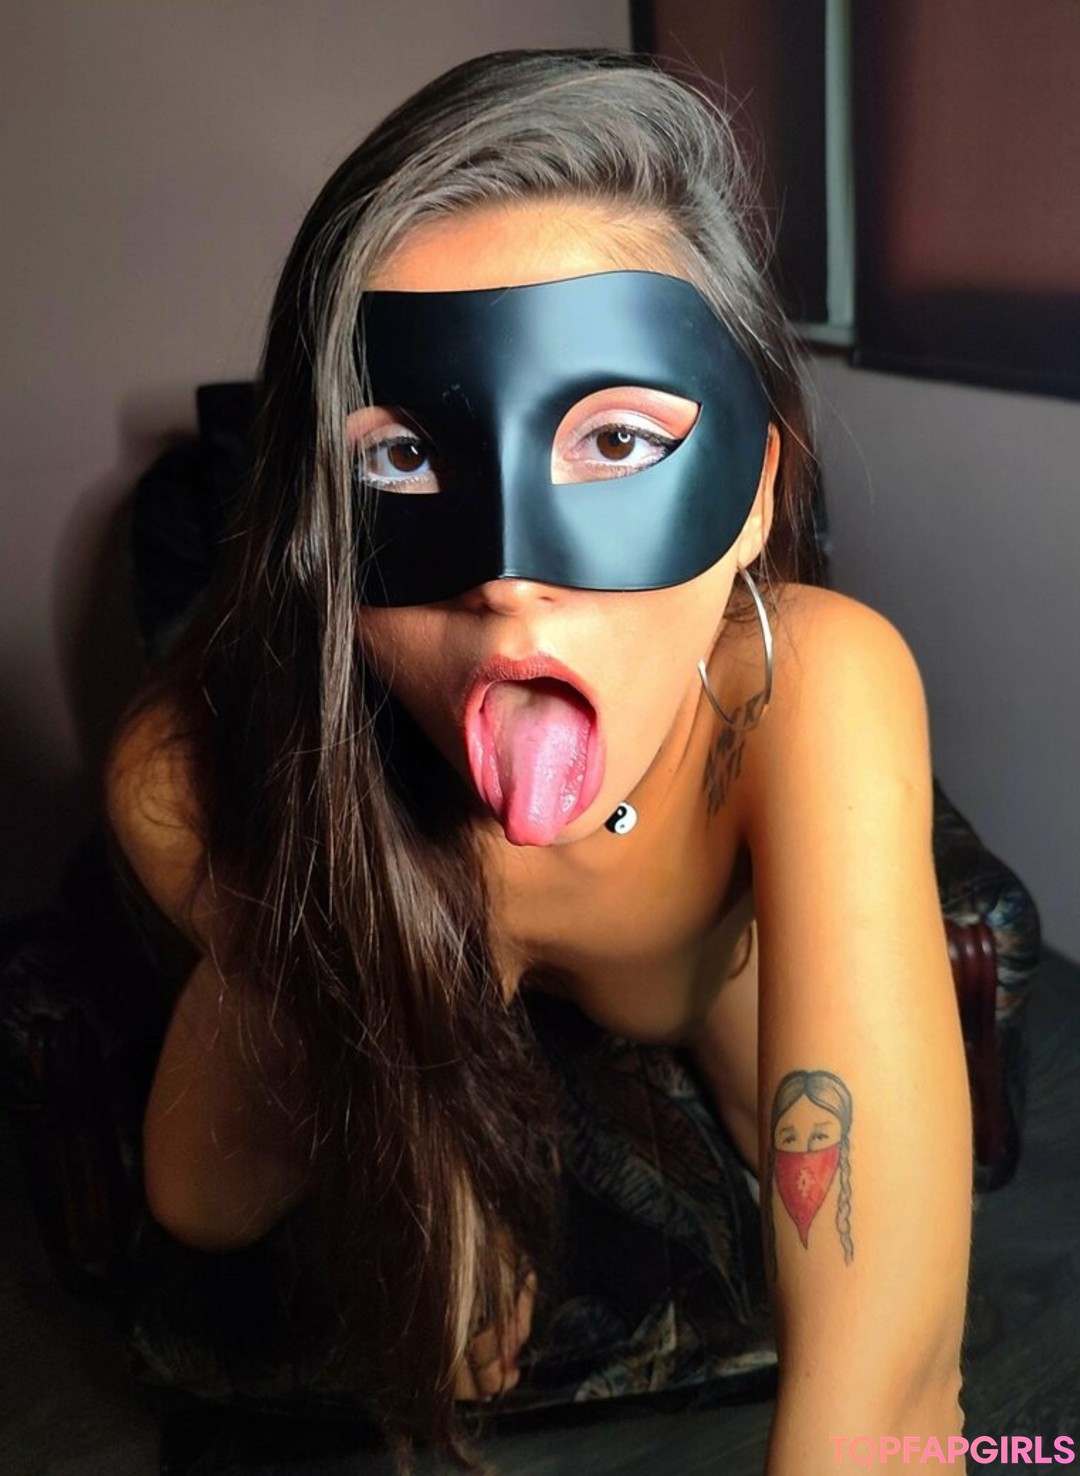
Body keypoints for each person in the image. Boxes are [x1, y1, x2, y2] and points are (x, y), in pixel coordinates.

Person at [105, 49, 972, 1474]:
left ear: (757, 492)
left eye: (618, 439)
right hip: (388, 964)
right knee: (200, 1194)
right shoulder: (190, 760)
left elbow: (893, 1394)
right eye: (399, 461)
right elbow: (162, 780)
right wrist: (429, 1139)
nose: (508, 580)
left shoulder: (815, 692)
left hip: (689, 976)